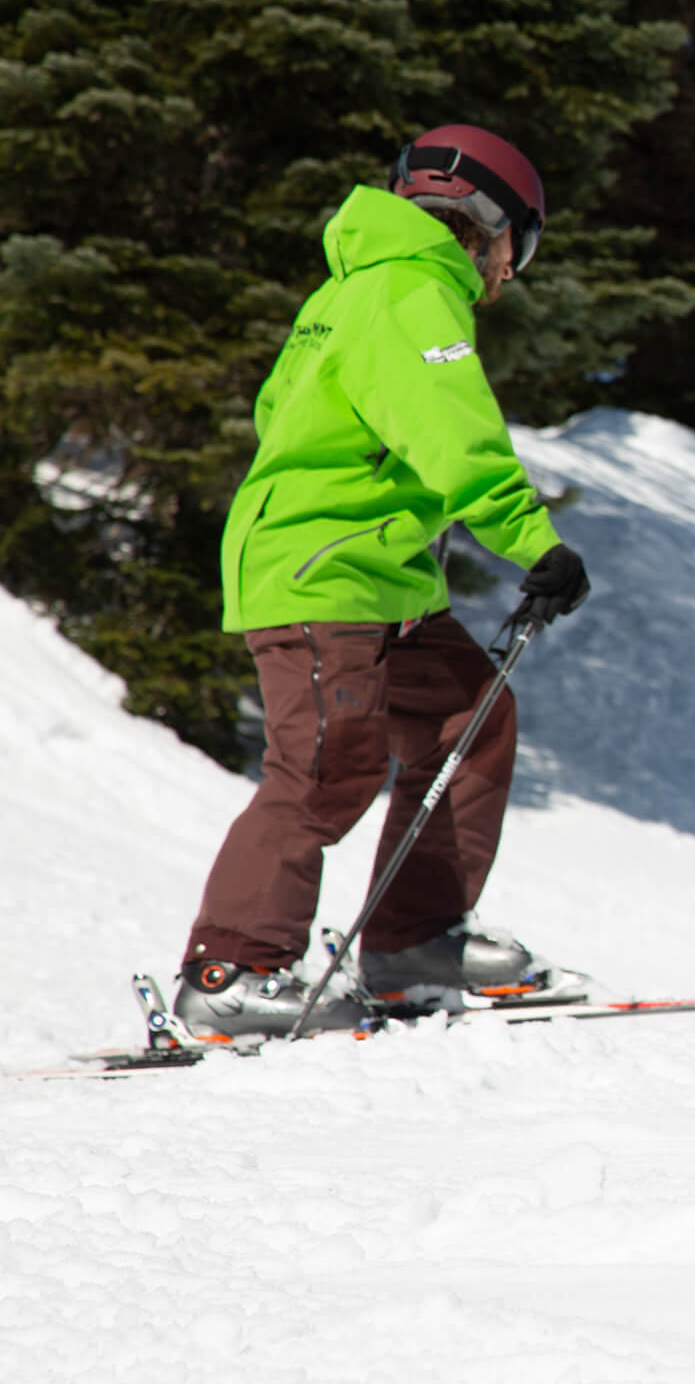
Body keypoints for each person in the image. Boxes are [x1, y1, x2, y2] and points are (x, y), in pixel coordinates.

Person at [174, 126, 593, 1039]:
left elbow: (286, 417)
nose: (506, 277)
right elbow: (455, 432)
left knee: (465, 715)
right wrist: (534, 544)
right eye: (515, 252)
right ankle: (230, 971)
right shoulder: (410, 290)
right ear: (485, 225)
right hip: (328, 573)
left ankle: (412, 940)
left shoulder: (354, 289)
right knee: (328, 764)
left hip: (375, 575)